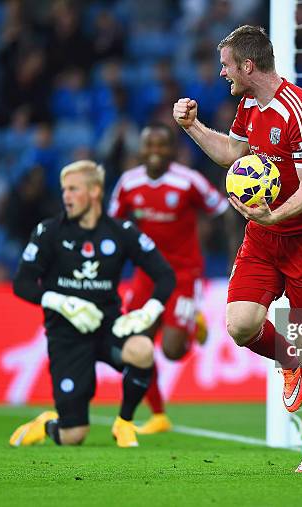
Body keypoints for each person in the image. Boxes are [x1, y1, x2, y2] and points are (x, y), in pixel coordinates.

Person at [173, 25, 302, 473]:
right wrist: (191, 128)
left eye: (227, 65)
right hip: (265, 238)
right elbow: (234, 153)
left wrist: (271, 216)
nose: (222, 72)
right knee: (241, 326)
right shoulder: (249, 104)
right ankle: (286, 360)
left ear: (248, 65)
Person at [9, 160, 176, 448]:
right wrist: (61, 302)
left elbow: (165, 275)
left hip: (107, 326)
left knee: (143, 349)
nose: (66, 196)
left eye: (74, 189)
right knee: (74, 435)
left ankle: (124, 422)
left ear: (95, 191)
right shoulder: (49, 232)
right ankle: (47, 424)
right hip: (66, 336)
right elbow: (21, 284)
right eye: (64, 190)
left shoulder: (120, 231)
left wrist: (149, 312)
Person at [108, 122, 229, 434]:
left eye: (161, 146)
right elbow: (111, 226)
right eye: (149, 145)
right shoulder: (128, 183)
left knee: (172, 351)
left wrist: (231, 253)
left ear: (173, 150)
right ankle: (158, 415)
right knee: (136, 344)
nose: (155, 152)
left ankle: (192, 323)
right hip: (146, 276)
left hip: (183, 274)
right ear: (141, 149)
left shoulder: (189, 182)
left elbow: (223, 211)